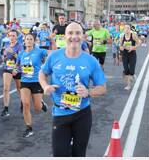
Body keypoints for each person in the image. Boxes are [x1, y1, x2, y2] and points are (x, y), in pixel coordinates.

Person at [39, 22, 106, 157]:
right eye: (70, 33)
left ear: (83, 36)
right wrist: (45, 86)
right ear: (64, 36)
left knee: (79, 154)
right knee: (59, 154)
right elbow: (42, 73)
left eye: (77, 33)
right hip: (60, 113)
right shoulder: (54, 56)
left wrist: (89, 92)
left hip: (82, 114)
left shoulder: (91, 60)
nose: (74, 36)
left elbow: (102, 88)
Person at [14, 33, 48, 138]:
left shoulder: (39, 51)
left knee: (37, 107)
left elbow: (50, 54)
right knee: (26, 104)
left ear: (34, 41)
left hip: (37, 81)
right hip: (25, 81)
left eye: (30, 39)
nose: (28, 41)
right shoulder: (21, 54)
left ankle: (42, 104)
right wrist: (15, 70)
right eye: (27, 39)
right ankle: (29, 128)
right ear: (24, 41)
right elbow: (17, 65)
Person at [1, 29, 23, 117]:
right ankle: (6, 108)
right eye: (10, 35)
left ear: (17, 37)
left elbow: (20, 59)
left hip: (17, 68)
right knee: (6, 88)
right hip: (7, 68)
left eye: (14, 36)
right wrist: (4, 57)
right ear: (8, 36)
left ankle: (23, 103)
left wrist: (13, 53)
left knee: (19, 88)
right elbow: (3, 57)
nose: (12, 37)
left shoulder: (20, 46)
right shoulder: (6, 45)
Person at [119, 24, 140, 90]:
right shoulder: (122, 36)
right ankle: (128, 85)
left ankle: (132, 74)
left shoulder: (133, 35)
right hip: (125, 54)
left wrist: (133, 47)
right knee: (126, 70)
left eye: (128, 28)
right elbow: (120, 45)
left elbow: (139, 43)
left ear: (130, 29)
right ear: (124, 29)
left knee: (132, 70)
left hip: (132, 54)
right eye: (125, 28)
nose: (127, 30)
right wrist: (121, 48)